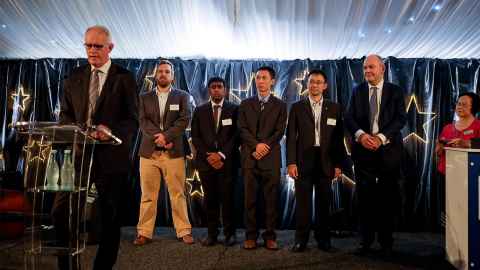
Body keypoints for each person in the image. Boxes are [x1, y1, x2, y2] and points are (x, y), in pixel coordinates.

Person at [53, 25, 138, 270]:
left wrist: (111, 132)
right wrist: (76, 130)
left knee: (110, 218)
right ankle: (66, 265)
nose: (92, 50)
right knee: (60, 213)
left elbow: (132, 120)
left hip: (111, 158)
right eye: (88, 45)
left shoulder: (125, 78)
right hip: (78, 155)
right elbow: (66, 116)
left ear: (110, 48)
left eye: (97, 46)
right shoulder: (73, 77)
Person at [345, 54, 407, 256]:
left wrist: (380, 137)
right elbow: (349, 118)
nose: (367, 71)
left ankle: (386, 242)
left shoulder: (395, 91)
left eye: (371, 67)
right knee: (365, 200)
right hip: (363, 154)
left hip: (388, 153)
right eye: (364, 68)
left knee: (387, 199)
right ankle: (365, 241)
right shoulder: (357, 91)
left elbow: (400, 119)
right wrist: (361, 136)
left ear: (382, 69)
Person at [134, 60, 194, 246]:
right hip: (148, 153)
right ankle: (144, 232)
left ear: (172, 76)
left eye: (167, 71)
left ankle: (184, 231)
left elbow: (184, 120)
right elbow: (143, 121)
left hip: (173, 152)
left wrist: (166, 137)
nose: (163, 74)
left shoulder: (182, 96)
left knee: (177, 193)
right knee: (148, 194)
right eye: (160, 71)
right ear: (155, 74)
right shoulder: (144, 97)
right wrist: (157, 138)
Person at [286, 69, 346, 252]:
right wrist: (291, 162)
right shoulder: (297, 107)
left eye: (319, 82)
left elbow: (338, 139)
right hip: (303, 162)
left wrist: (338, 165)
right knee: (303, 205)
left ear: (325, 86)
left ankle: (324, 240)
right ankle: (300, 240)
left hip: (326, 162)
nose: (314, 85)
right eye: (312, 82)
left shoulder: (335, 108)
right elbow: (290, 138)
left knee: (323, 204)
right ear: (307, 84)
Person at [238, 66, 287, 250]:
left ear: (272, 81)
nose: (260, 81)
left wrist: (264, 146)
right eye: (258, 77)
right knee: (249, 200)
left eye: (264, 78)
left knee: (271, 201)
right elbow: (242, 129)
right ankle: (250, 236)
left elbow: (279, 131)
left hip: (271, 160)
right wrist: (255, 145)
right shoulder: (245, 104)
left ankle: (270, 237)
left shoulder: (281, 105)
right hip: (250, 159)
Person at [191, 77, 239, 246]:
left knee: (228, 200)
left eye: (220, 87)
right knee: (210, 200)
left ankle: (230, 234)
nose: (216, 90)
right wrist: (209, 155)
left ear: (225, 90)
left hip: (228, 163)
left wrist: (221, 155)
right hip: (206, 163)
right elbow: (195, 137)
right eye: (213, 87)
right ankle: (212, 234)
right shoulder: (199, 110)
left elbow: (236, 136)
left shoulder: (234, 109)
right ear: (209, 90)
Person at [434, 92, 480, 229]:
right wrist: (440, 147)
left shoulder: (478, 126)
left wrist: (467, 143)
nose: (459, 107)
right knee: (448, 211)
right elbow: (437, 153)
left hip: (469, 178)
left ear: (473, 107)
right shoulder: (447, 128)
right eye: (458, 104)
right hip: (446, 175)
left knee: (467, 213)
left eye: (464, 104)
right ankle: (450, 244)